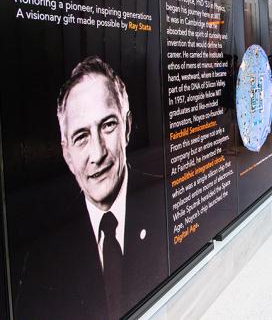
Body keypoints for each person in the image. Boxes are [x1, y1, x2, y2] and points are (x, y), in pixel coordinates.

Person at [16, 56, 167, 320]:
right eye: (81, 137)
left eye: (108, 125)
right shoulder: (43, 258)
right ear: (67, 155)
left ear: (127, 128)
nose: (97, 153)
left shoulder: (165, 198)